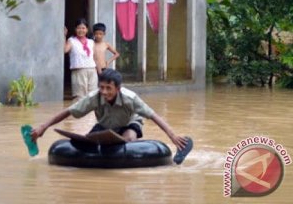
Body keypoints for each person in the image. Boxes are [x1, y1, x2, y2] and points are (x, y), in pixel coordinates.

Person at [31, 68, 193, 165]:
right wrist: (43, 127)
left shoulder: (130, 98)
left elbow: (153, 116)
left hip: (129, 122)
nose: (104, 92)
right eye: (101, 87)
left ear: (118, 88)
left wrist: (173, 136)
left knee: (128, 138)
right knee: (90, 140)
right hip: (105, 126)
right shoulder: (94, 97)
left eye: (109, 88)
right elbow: (68, 112)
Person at [65, 18, 97, 100]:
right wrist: (64, 35)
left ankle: (92, 113)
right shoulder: (71, 40)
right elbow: (64, 50)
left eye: (83, 28)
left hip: (92, 70)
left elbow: (95, 57)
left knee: (93, 95)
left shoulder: (91, 42)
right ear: (75, 29)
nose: (81, 30)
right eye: (79, 28)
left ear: (87, 30)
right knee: (79, 97)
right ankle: (80, 113)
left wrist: (99, 71)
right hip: (78, 70)